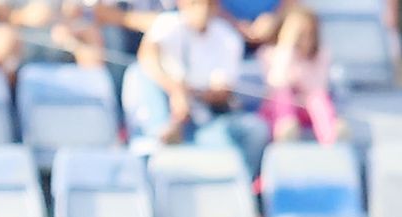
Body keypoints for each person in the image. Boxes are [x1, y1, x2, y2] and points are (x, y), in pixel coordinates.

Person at [128, 0, 270, 176]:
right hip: (170, 111)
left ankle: (240, 186)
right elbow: (147, 57)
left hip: (205, 120)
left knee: (255, 130)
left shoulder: (227, 37)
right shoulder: (168, 24)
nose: (202, 10)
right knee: (138, 74)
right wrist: (175, 90)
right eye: (195, 3)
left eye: (208, 4)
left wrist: (188, 94)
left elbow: (221, 92)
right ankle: (159, 135)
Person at [259, 6, 342, 144]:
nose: (302, 40)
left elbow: (319, 87)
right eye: (298, 34)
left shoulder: (321, 56)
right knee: (282, 94)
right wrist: (287, 47)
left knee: (318, 98)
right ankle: (286, 129)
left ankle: (332, 136)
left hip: (308, 109)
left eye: (308, 34)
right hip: (277, 111)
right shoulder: (270, 54)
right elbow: (276, 82)